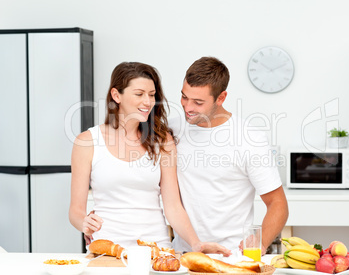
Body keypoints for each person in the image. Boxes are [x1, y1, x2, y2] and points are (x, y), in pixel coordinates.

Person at [69, 61, 231, 255]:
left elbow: (173, 206)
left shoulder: (162, 141)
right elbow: (75, 211)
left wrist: (196, 244)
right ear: (116, 95)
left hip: (155, 248)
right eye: (139, 94)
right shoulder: (86, 142)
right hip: (106, 248)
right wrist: (84, 223)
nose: (147, 102)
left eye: (152, 95)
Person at [170, 56, 289, 253]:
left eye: (198, 102)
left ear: (221, 98)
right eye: (184, 97)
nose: (188, 107)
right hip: (184, 255)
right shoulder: (171, 130)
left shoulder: (249, 138)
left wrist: (260, 242)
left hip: (232, 256)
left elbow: (277, 204)